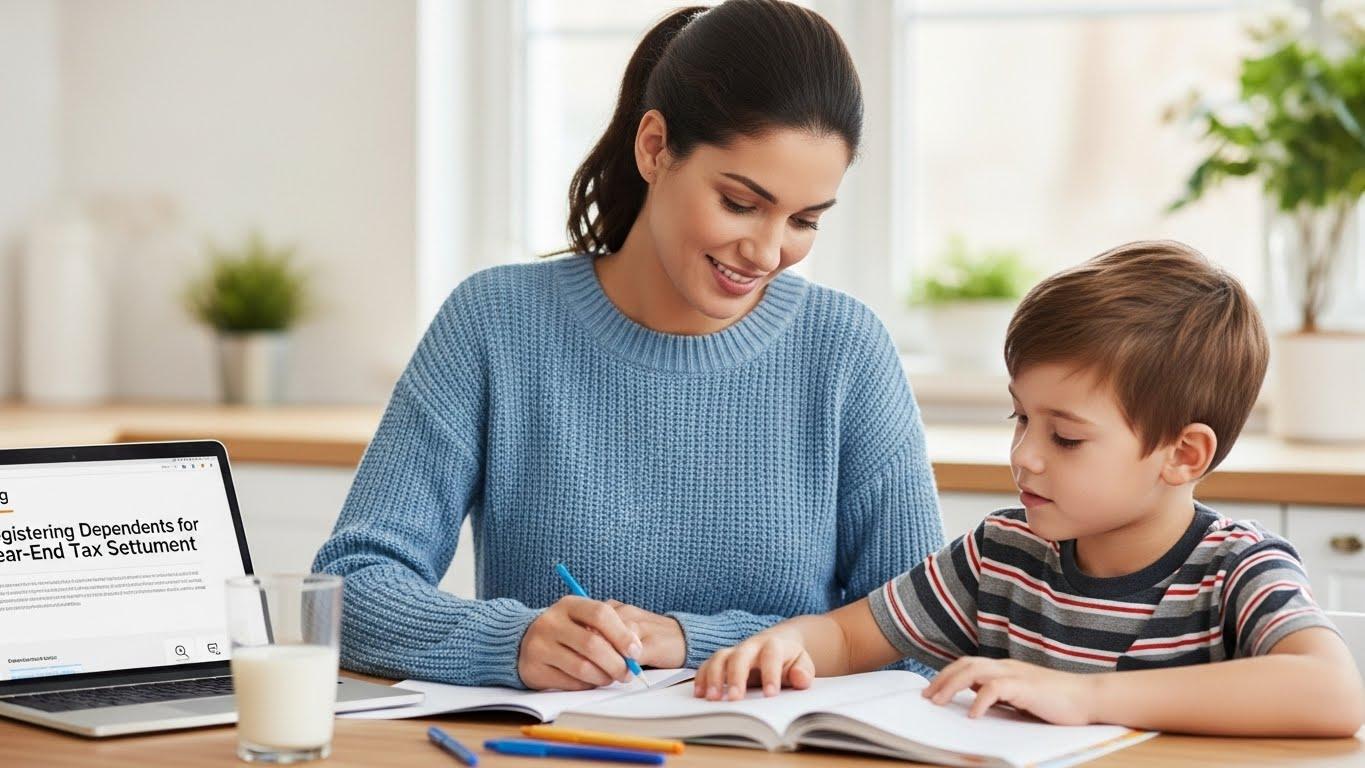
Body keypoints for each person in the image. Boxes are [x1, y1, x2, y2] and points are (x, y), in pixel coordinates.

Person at [312, 0, 944, 691]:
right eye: (739, 203)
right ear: (654, 148)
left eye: (804, 220)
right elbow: (349, 590)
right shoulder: (495, 323)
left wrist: (688, 639)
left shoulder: (846, 351)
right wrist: (511, 640)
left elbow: (920, 635)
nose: (767, 251)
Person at [694, 240, 1365, 737]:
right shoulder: (998, 555)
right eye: (1020, 418)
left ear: (1181, 454)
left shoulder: (1235, 570)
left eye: (1064, 437)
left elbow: (1333, 695)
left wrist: (1087, 698)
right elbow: (847, 638)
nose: (1024, 457)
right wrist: (785, 646)